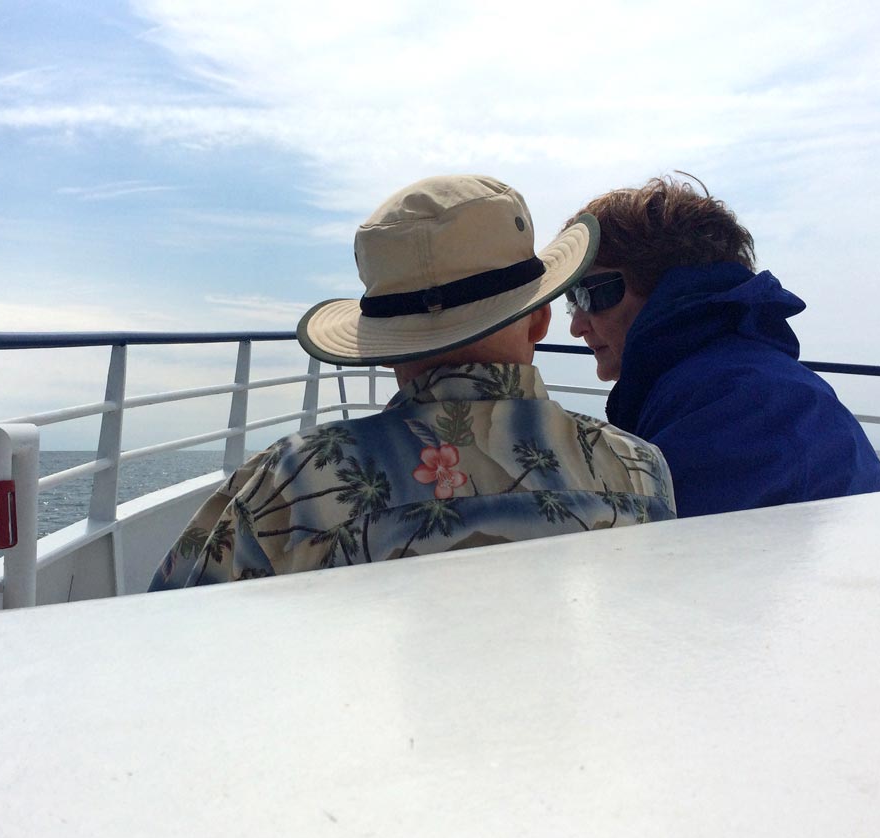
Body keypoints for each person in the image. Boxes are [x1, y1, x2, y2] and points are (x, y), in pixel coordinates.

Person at [150, 174, 676, 590]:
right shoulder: (639, 471)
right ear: (539, 320)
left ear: (383, 350)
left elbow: (177, 638)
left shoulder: (291, 484)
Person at [563, 174, 880, 518]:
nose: (576, 325)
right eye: (571, 299)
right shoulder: (768, 385)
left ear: (664, 286)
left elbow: (667, 557)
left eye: (590, 293)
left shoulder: (730, 406)